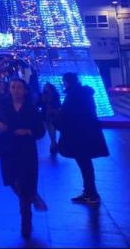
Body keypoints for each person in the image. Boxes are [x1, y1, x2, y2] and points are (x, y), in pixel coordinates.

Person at [0, 78, 45, 239]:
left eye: (19, 87)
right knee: (11, 180)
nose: (15, 90)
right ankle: (32, 195)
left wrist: (29, 132)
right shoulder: (2, 103)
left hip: (25, 150)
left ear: (25, 90)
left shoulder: (32, 107)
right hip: (7, 148)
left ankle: (26, 222)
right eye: (13, 87)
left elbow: (40, 130)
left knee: (25, 182)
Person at [57, 72, 109, 205]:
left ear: (67, 81)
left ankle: (91, 193)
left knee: (84, 163)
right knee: (85, 164)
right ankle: (89, 191)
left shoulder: (74, 95)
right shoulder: (84, 93)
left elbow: (68, 114)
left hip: (79, 135)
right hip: (87, 133)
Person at [38, 83, 62, 156]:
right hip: (48, 115)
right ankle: (53, 145)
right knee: (51, 131)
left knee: (51, 131)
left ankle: (53, 145)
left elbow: (39, 103)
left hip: (49, 115)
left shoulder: (46, 95)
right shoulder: (53, 94)